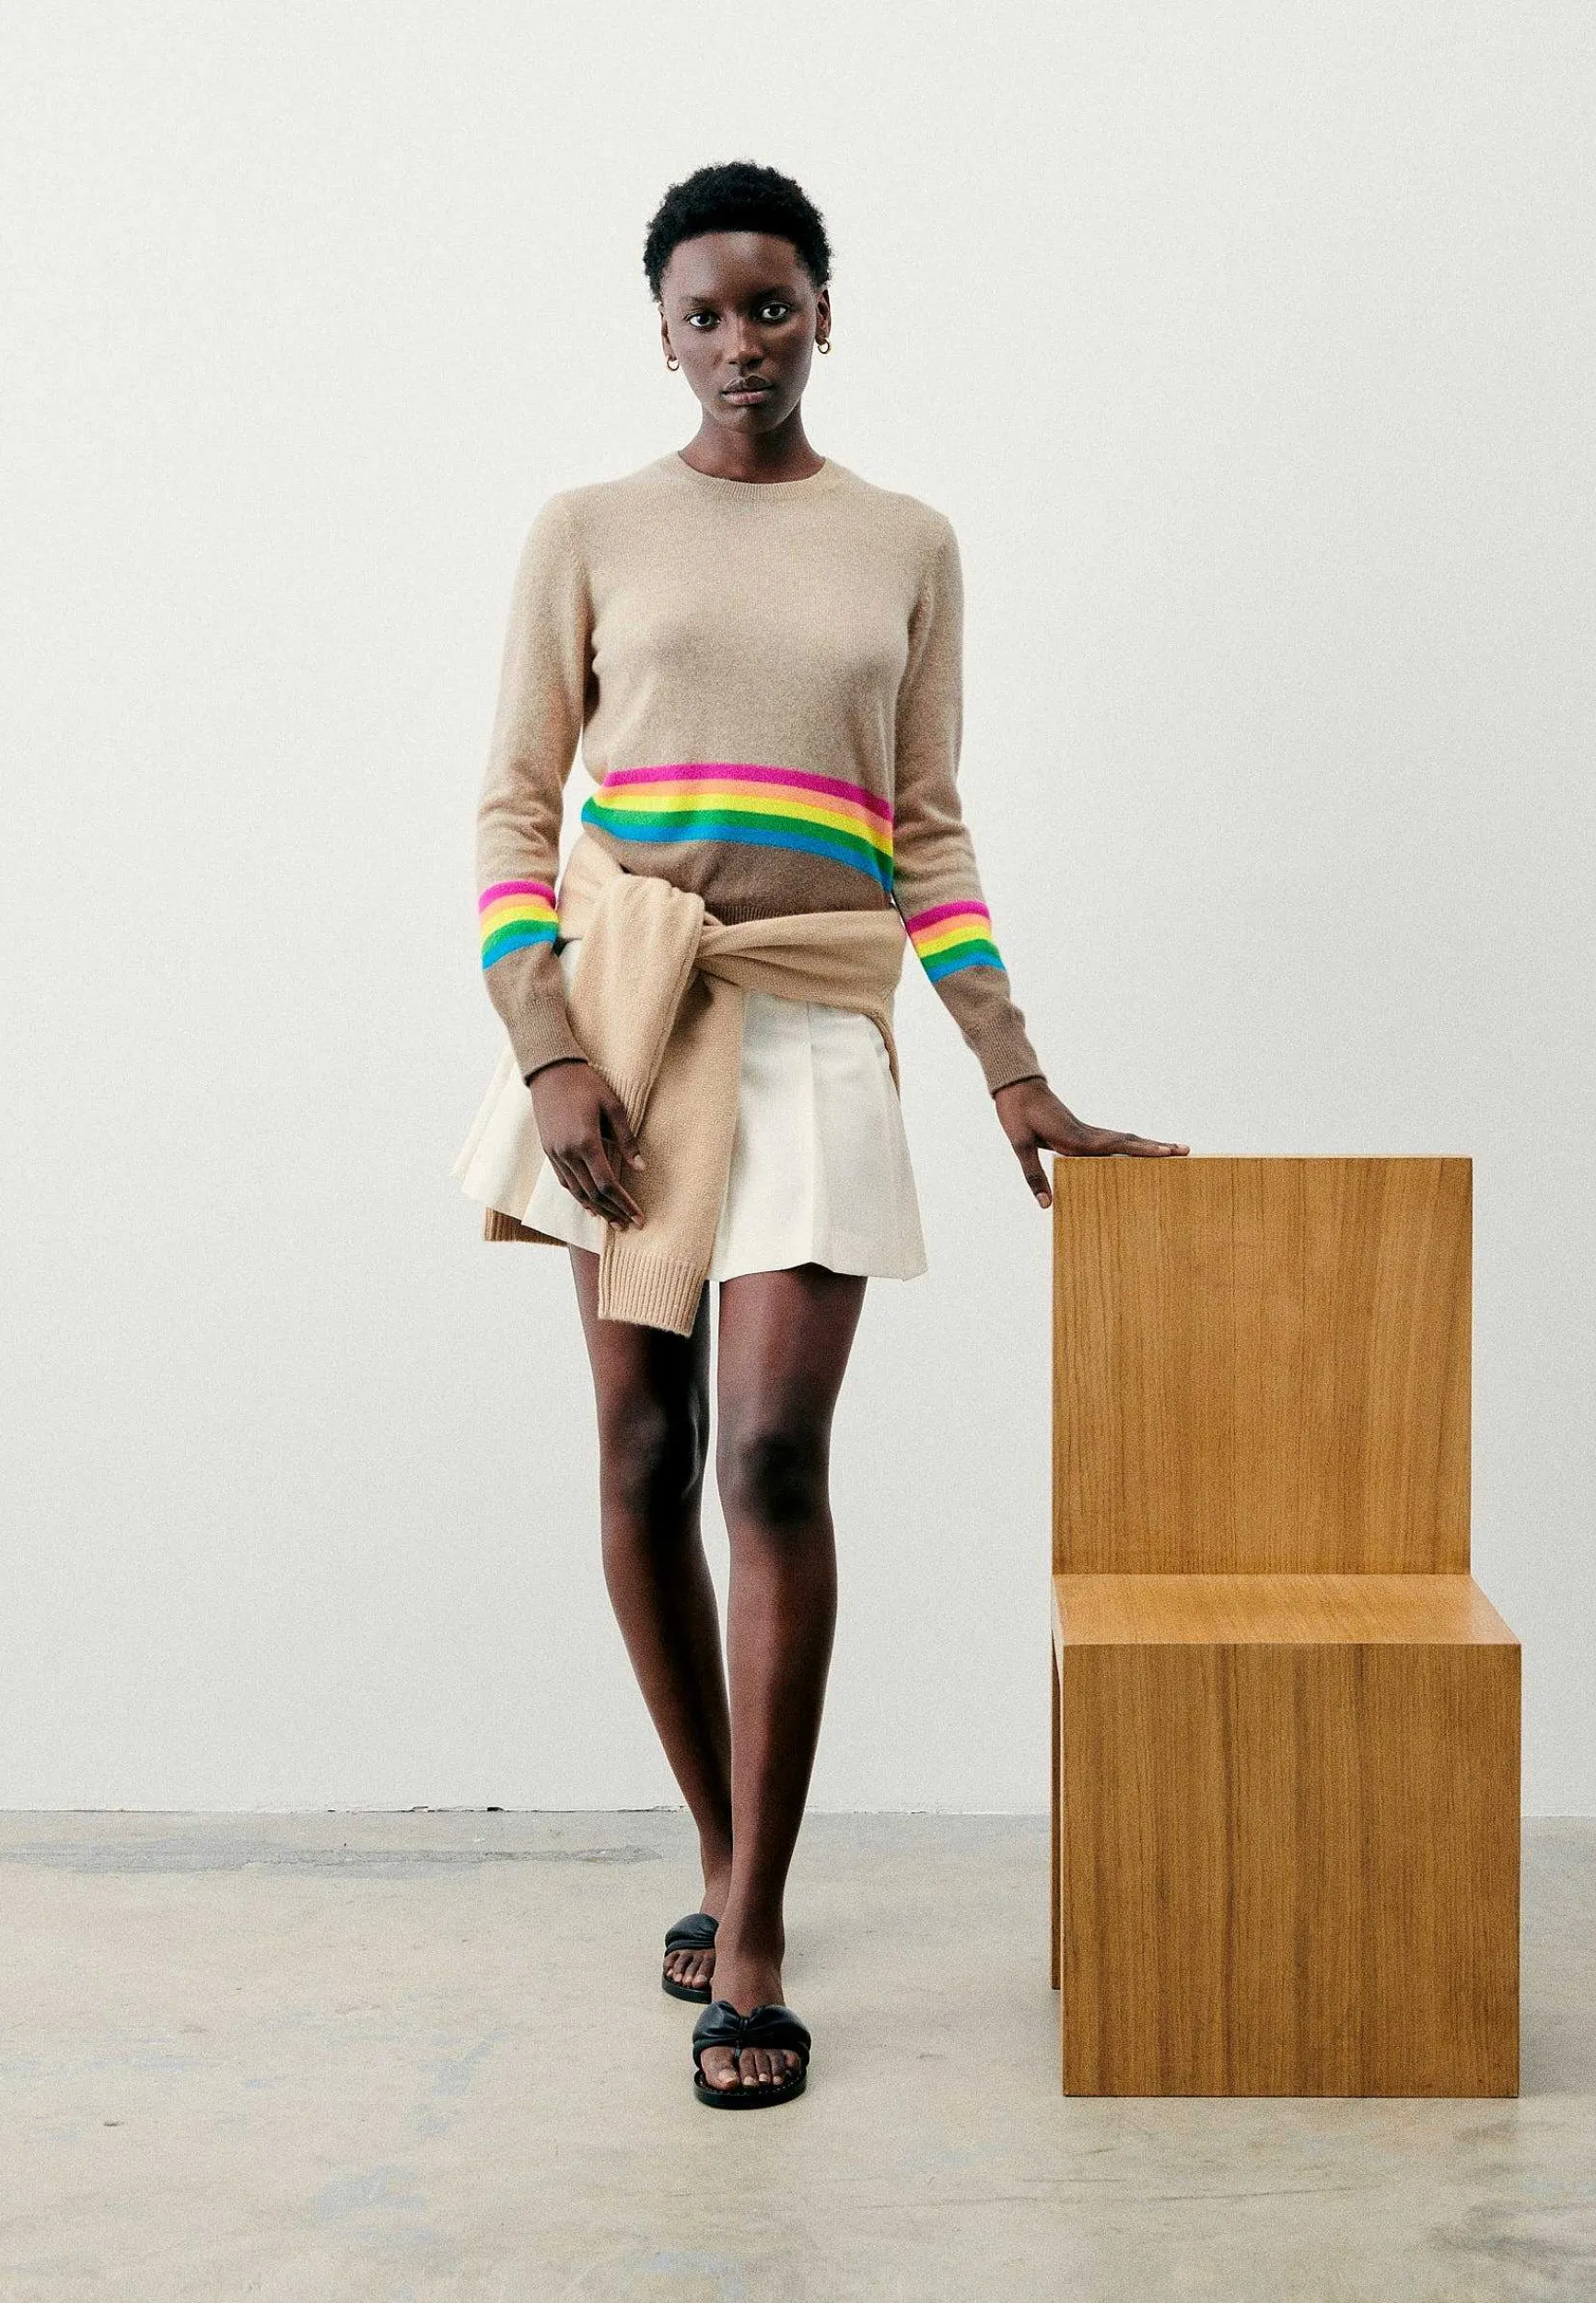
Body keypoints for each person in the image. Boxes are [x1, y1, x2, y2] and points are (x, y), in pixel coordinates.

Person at [456, 161, 1187, 2108]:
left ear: (825, 316)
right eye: (704, 313)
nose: (740, 343)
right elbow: (514, 807)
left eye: (771, 305)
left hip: (817, 1023)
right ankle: (719, 1845)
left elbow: (924, 828)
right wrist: (546, 1047)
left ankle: (758, 1929)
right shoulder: (588, 528)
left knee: (771, 1456)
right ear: (662, 333)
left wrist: (1009, 1064)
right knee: (642, 1454)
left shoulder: (906, 542)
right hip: (627, 1018)